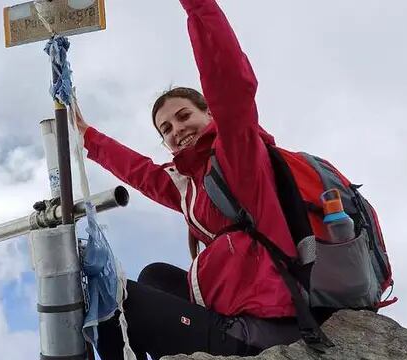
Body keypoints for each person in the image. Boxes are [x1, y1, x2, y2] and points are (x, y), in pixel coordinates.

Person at [73, 0, 302, 358]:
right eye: (166, 128)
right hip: (232, 313)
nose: (177, 130)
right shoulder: (189, 184)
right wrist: (88, 136)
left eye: (184, 116)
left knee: (114, 299)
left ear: (210, 113)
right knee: (155, 276)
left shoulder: (238, 155)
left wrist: (198, 7)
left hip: (260, 328)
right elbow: (142, 173)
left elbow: (231, 84)